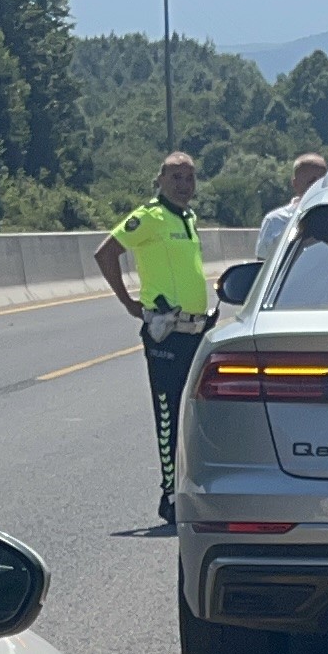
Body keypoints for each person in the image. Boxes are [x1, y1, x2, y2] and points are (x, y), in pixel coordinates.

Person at [96, 150, 213, 527]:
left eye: (190, 176)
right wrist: (129, 301)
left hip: (196, 330)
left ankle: (188, 486)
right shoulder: (149, 217)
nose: (183, 184)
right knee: (168, 412)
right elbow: (106, 253)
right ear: (160, 180)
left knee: (194, 414)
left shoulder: (188, 218)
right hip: (166, 333)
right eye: (176, 176)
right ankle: (168, 494)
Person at [256, 151, 328, 262]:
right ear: (295, 184)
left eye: (322, 182)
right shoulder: (275, 221)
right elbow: (262, 263)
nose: (317, 187)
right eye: (312, 182)